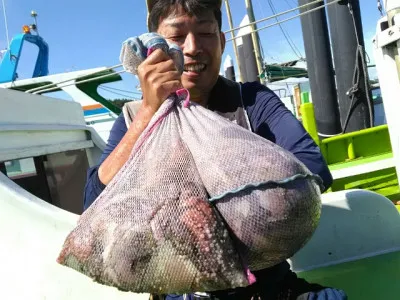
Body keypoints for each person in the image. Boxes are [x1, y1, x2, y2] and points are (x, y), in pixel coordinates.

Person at [83, 0, 347, 299]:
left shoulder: (251, 102)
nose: (193, 47)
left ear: (221, 42)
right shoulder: (132, 117)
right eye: (177, 36)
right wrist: (149, 111)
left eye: (206, 33)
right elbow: (94, 202)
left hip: (269, 288)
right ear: (151, 49)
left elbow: (313, 168)